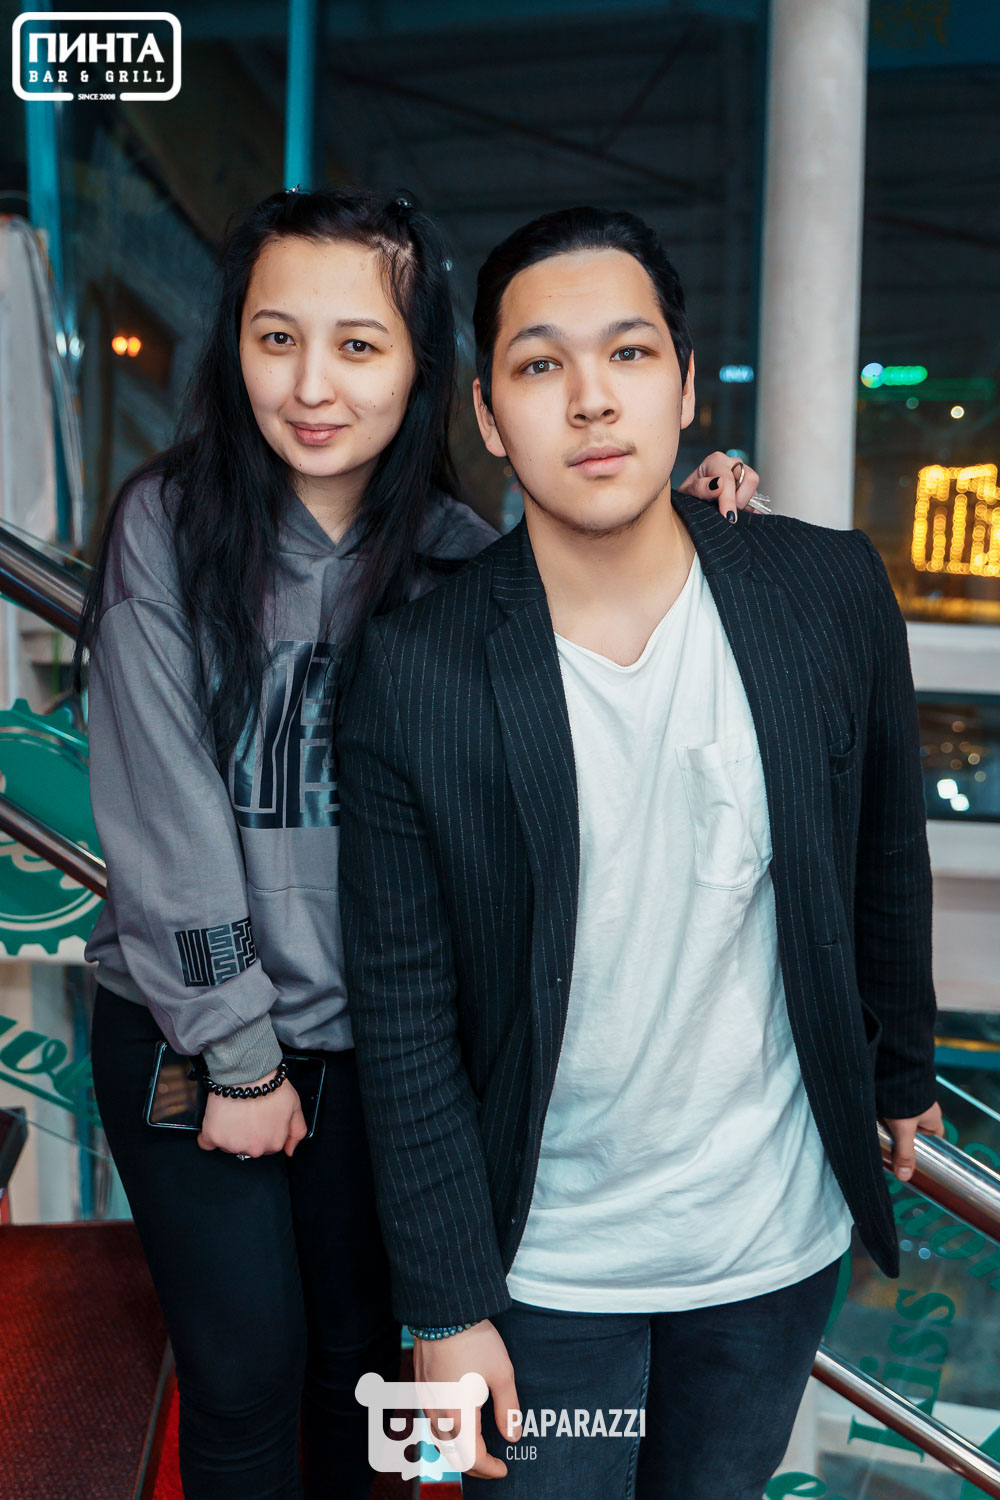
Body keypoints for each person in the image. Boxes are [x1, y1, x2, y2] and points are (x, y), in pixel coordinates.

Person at [78, 185, 755, 1499]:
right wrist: (238, 1055)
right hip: (189, 1040)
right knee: (242, 1381)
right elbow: (164, 818)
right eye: (277, 339)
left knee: (359, 1380)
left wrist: (701, 511)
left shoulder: (462, 560)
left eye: (359, 344)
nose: (312, 385)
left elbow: (614, 630)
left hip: (383, 1058)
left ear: (420, 369)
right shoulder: (168, 524)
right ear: (234, 348)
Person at [336, 205, 945, 1499]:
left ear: (684, 384)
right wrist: (444, 1306)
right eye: (540, 364)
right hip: (539, 1270)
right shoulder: (415, 672)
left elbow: (885, 849)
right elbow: (402, 1013)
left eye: (629, 353)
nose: (592, 400)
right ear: (490, 416)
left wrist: (903, 1068)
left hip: (769, 1249)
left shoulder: (827, 590)